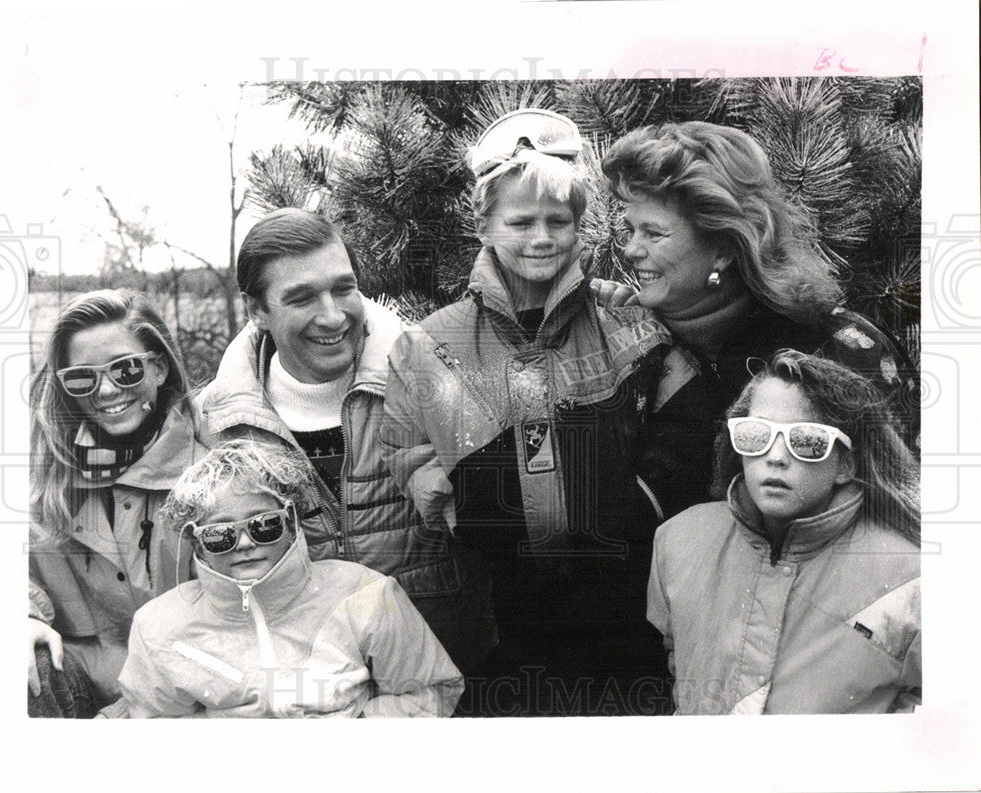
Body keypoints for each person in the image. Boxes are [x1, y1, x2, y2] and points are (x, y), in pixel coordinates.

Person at [381, 109, 676, 716]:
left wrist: (634, 507)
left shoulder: (626, 318)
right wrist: (466, 514)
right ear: (484, 223)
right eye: (520, 221)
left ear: (579, 223)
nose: (541, 238)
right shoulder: (429, 345)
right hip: (509, 615)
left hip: (629, 607)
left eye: (558, 221)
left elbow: (678, 427)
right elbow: (407, 452)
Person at [195, 208, 495, 678]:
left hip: (455, 681)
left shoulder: (436, 378)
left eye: (343, 288)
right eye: (301, 298)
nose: (333, 316)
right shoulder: (216, 424)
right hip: (311, 701)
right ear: (257, 310)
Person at [596, 120, 920, 521]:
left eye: (653, 234)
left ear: (724, 250)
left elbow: (896, 511)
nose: (629, 250)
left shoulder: (839, 350)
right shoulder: (631, 338)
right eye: (631, 230)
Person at [647, 349, 921, 714]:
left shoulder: (912, 575)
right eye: (755, 435)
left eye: (806, 440)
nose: (775, 456)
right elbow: (680, 669)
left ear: (845, 464)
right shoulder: (678, 540)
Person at [117, 440, 464, 718]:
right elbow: (155, 731)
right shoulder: (159, 625)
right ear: (197, 543)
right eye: (220, 534)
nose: (245, 543)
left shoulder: (367, 594)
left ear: (292, 520)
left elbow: (430, 690)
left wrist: (352, 744)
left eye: (264, 524)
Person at [28, 289, 203, 717]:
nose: (105, 391)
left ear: (159, 368)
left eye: (125, 370)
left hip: (188, 695)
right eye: (82, 377)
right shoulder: (48, 480)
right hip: (85, 684)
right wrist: (22, 616)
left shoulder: (212, 476)